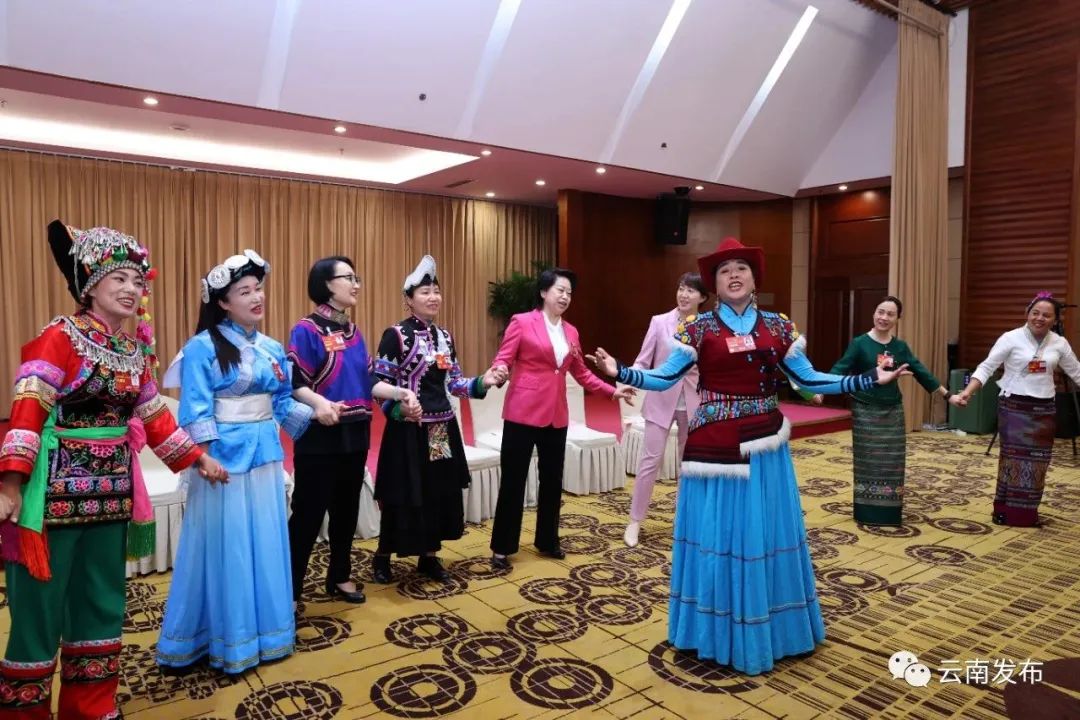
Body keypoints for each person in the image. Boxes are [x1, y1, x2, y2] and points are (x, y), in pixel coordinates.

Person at [589, 237, 908, 675]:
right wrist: (621, 372)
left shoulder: (778, 326)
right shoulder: (697, 328)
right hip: (713, 449)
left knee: (764, 534)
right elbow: (664, 378)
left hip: (765, 446)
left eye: (741, 268)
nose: (734, 275)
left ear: (755, 279)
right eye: (724, 271)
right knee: (717, 538)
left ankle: (773, 629)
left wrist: (867, 378)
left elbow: (808, 380)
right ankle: (712, 632)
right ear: (714, 285)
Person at [0, 220, 225, 720]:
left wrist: (198, 457)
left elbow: (155, 416)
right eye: (118, 278)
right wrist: (11, 483)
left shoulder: (132, 352)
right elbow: (28, 409)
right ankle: (23, 712)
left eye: (137, 281)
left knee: (101, 600)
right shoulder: (59, 337)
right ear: (90, 284)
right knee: (40, 606)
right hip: (52, 496)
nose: (130, 289)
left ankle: (90, 706)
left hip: (111, 493)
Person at [156, 250, 314, 675]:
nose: (256, 297)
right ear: (223, 302)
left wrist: (318, 414)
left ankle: (268, 634)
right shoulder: (201, 347)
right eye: (244, 292)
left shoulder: (272, 347)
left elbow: (281, 402)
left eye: (258, 288)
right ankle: (228, 638)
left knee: (265, 539)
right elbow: (194, 408)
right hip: (221, 462)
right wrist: (204, 457)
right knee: (229, 545)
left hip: (264, 456)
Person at [288, 256, 421, 598]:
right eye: (348, 278)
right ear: (326, 285)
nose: (356, 284)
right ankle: (289, 591)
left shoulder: (353, 332)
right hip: (320, 434)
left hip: (355, 432)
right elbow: (295, 383)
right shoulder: (306, 330)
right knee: (307, 514)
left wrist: (401, 392)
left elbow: (369, 381)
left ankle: (339, 576)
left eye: (355, 277)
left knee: (346, 510)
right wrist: (320, 404)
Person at [488, 267, 635, 571]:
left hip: (556, 414)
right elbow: (504, 357)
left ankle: (547, 539)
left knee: (553, 480)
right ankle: (502, 547)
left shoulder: (571, 332)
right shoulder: (522, 322)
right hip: (522, 412)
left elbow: (581, 373)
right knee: (514, 480)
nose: (566, 296)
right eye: (560, 290)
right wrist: (499, 370)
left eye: (569, 292)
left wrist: (613, 391)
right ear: (544, 292)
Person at [371, 256, 504, 582]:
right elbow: (377, 387)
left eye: (436, 291)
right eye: (425, 292)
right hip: (408, 430)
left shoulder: (444, 336)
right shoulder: (395, 335)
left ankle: (429, 557)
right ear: (409, 299)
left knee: (436, 492)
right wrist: (401, 409)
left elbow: (455, 384)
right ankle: (383, 556)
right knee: (402, 493)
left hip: (440, 429)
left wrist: (483, 381)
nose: (433, 297)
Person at [830, 296, 962, 525]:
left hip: (893, 411)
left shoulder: (900, 347)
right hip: (865, 410)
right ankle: (867, 512)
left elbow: (922, 373)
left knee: (892, 463)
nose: (884, 317)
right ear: (874, 313)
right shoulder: (860, 343)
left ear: (897, 318)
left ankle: (888, 513)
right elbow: (840, 368)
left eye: (890, 314)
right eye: (880, 312)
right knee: (868, 462)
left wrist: (949, 395)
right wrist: (821, 389)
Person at [958, 292, 1080, 527]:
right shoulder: (1010, 338)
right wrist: (968, 392)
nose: (1040, 318)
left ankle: (1025, 514)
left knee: (1038, 463)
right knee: (1013, 461)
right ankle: (1005, 511)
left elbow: (1076, 372)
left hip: (1044, 411)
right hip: (1014, 407)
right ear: (1027, 313)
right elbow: (987, 367)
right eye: (1035, 313)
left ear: (1055, 319)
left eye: (1046, 315)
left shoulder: (1059, 343)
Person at [623, 272, 707, 547]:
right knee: (650, 461)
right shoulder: (659, 322)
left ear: (703, 297)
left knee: (688, 465)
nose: (683, 294)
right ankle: (635, 521)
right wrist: (630, 378)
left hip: (694, 403)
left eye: (690, 291)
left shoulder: (708, 326)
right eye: (681, 288)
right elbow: (643, 360)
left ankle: (684, 522)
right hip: (660, 399)